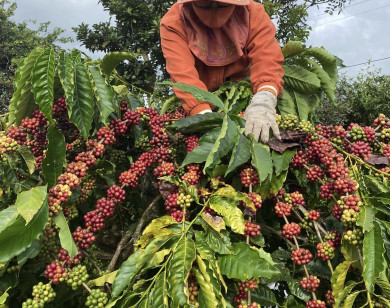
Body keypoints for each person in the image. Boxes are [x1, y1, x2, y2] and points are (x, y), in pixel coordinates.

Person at [160, 0, 284, 143]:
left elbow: (267, 58)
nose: (214, 11)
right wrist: (205, 117)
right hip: (200, 94)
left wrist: (264, 97)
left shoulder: (253, 13)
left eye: (222, 5)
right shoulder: (174, 22)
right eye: (205, 4)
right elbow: (183, 74)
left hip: (244, 89)